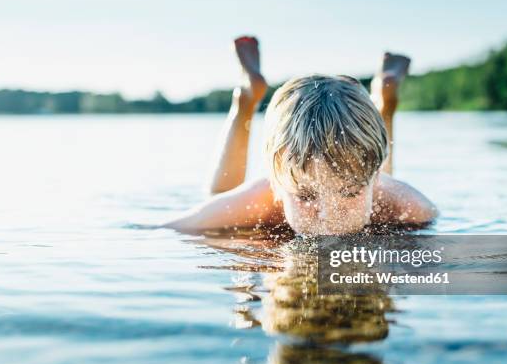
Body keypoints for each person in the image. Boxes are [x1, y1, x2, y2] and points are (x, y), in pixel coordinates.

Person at [163, 36, 437, 236]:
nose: (328, 214)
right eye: (305, 197)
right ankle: (245, 100)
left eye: (350, 193)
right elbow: (172, 227)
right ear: (277, 183)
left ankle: (385, 105)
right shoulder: (259, 202)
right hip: (286, 189)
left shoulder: (409, 205)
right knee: (219, 194)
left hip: (376, 186)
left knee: (366, 161)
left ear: (376, 179)